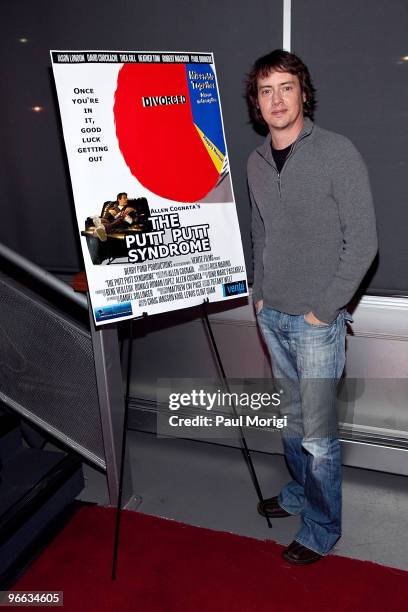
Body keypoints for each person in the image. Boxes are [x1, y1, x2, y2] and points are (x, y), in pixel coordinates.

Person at [246, 50, 377, 565]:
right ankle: (301, 493)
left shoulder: (336, 153)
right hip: (272, 315)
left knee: (320, 438)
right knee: (292, 422)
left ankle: (321, 529)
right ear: (256, 104)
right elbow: (260, 231)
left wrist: (324, 311)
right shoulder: (256, 163)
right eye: (265, 90)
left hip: (316, 324)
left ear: (303, 93)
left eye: (285, 87)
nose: (276, 99)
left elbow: (363, 242)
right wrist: (259, 294)